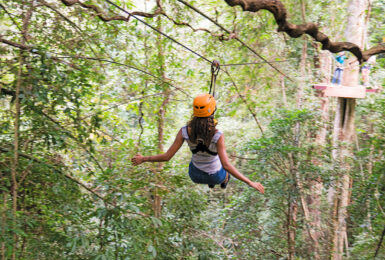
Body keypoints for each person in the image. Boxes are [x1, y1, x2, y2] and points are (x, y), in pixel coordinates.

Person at [131, 94, 265, 194]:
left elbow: (167, 157)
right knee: (224, 164)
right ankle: (222, 181)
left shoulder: (184, 131)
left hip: (195, 175)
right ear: (212, 111)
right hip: (216, 176)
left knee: (196, 160)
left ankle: (210, 181)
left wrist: (143, 159)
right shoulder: (217, 135)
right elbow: (226, 165)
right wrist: (249, 182)